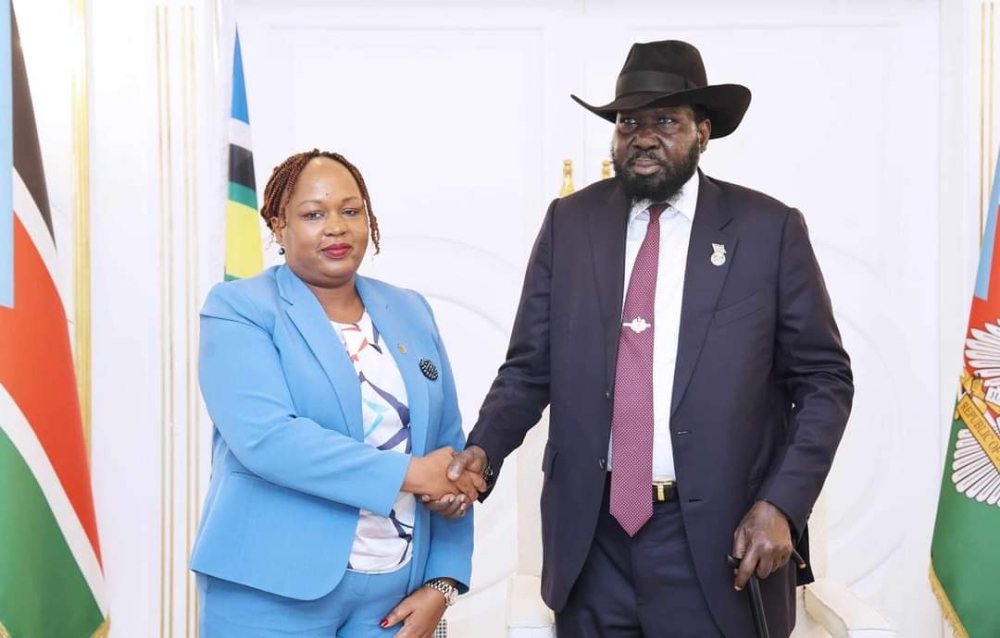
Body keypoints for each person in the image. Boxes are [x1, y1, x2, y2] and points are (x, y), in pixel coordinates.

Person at [436, 40, 854, 637]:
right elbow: (530, 367)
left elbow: (824, 381)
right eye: (628, 122)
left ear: (703, 133)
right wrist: (483, 450)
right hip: (592, 542)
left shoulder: (768, 230)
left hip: (718, 541)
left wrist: (783, 503)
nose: (643, 137)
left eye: (665, 121)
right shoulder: (570, 224)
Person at [191, 149, 482, 638]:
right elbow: (269, 440)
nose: (337, 227)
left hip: (394, 602)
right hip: (269, 593)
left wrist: (444, 582)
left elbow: (449, 449)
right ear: (278, 225)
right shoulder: (238, 309)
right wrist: (414, 474)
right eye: (313, 214)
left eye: (351, 210)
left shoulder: (410, 310)